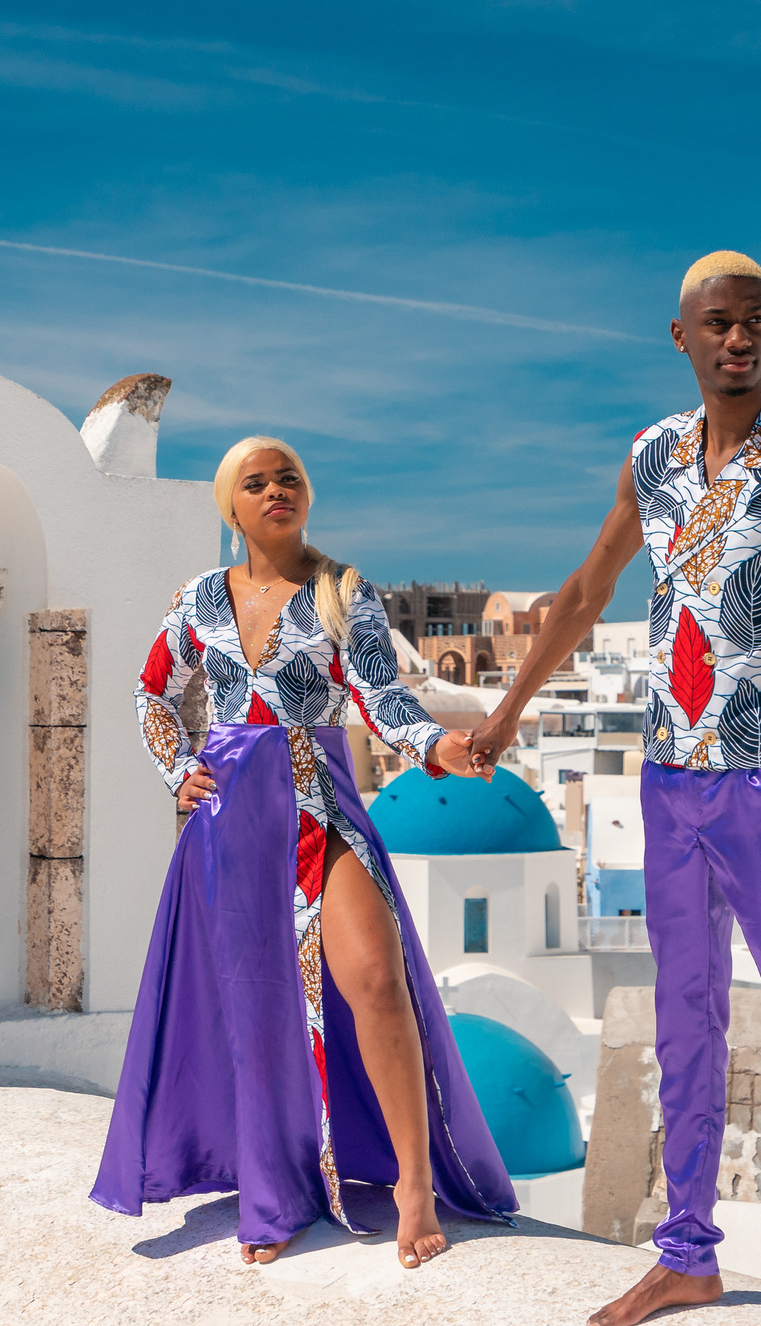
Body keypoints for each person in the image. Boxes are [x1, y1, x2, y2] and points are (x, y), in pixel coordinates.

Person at [469, 251, 761, 1326]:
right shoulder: (651, 458)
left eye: (754, 323)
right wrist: (506, 717)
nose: (736, 340)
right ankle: (687, 1254)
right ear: (682, 337)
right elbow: (589, 590)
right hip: (668, 779)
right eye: (717, 324)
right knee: (685, 1023)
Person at [92, 436, 517, 1269]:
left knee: (372, 978)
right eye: (256, 482)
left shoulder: (341, 594)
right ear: (232, 506)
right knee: (253, 1011)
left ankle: (415, 1184)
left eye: (289, 477)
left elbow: (380, 697)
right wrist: (178, 768)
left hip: (317, 800)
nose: (276, 490)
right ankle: (272, 1191)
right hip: (226, 820)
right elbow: (151, 689)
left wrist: (439, 749)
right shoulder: (197, 600)